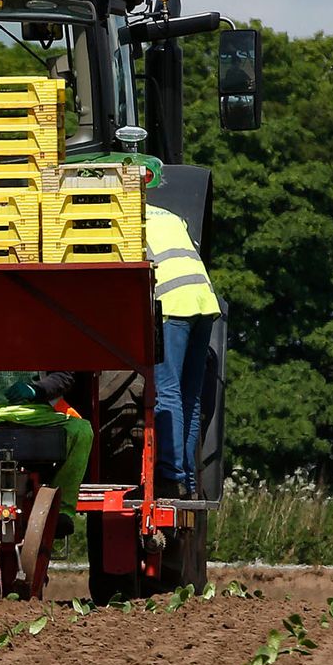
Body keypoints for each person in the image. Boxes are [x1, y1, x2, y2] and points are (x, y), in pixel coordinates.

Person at [145, 201, 221, 497]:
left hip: (172, 303)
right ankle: (187, 480)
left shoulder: (124, 216)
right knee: (191, 394)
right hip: (203, 300)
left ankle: (170, 474)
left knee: (167, 389)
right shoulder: (169, 213)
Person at [0, 372, 94, 495]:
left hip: (37, 412)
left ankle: (61, 509)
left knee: (81, 431)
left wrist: (36, 390)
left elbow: (64, 375)